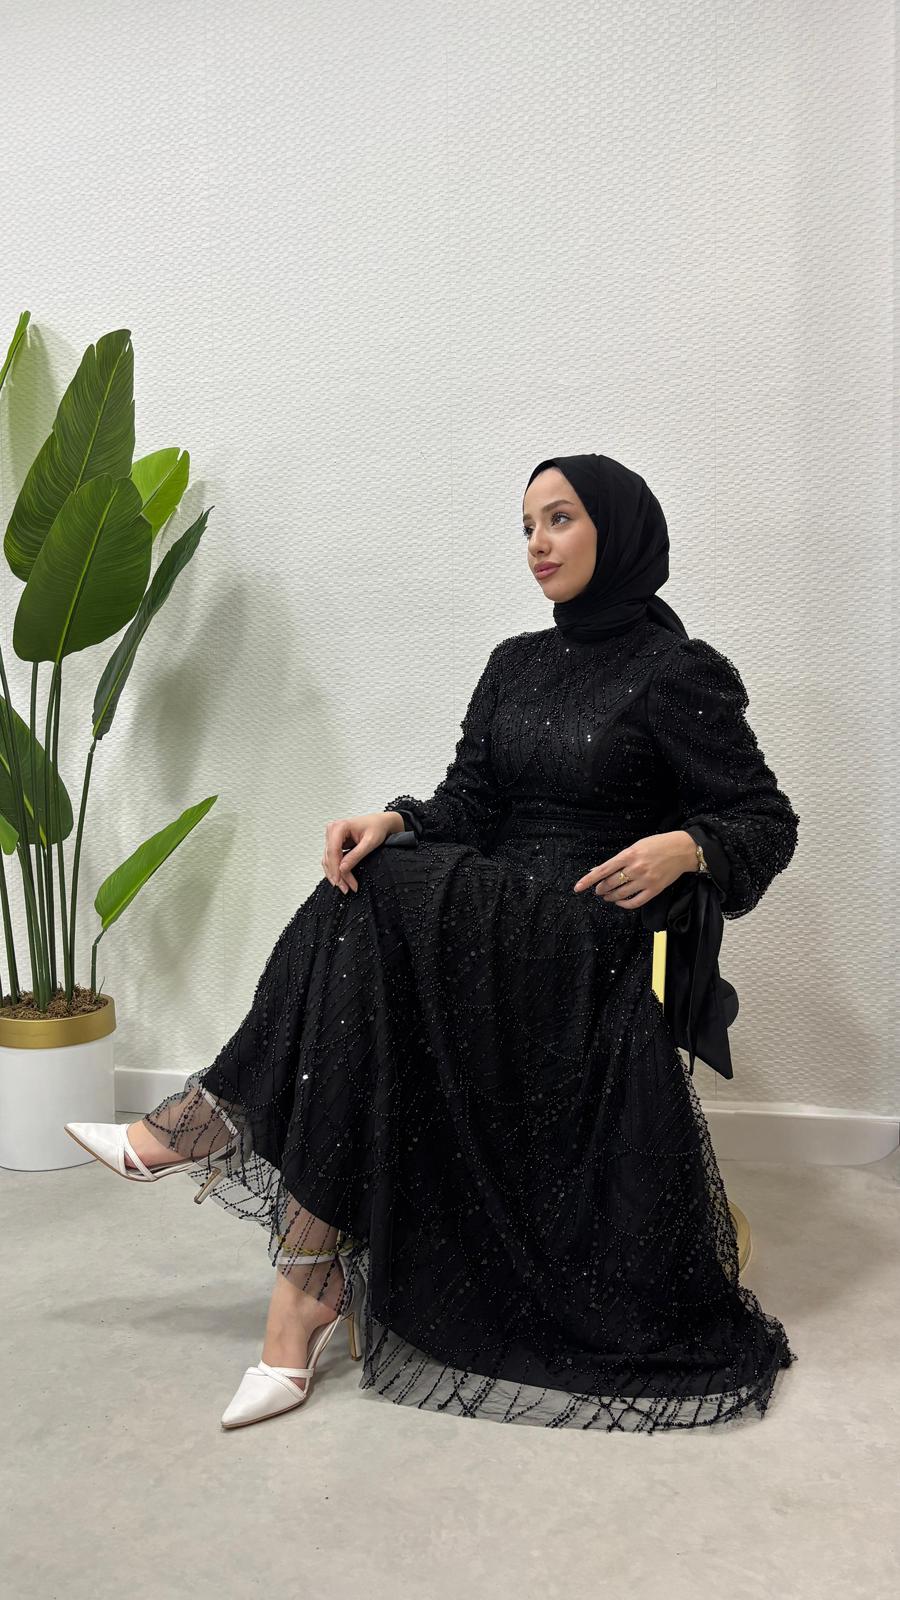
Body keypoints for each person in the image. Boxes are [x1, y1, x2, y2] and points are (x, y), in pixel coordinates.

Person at [65, 451, 801, 1433]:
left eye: (560, 519)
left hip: (589, 935)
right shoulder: (514, 664)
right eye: (526, 526)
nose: (537, 543)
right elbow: (469, 803)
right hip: (488, 918)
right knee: (366, 878)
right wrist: (398, 820)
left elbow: (764, 818)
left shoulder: (678, 673)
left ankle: (211, 1132)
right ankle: (300, 1290)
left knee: (382, 897)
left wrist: (688, 846)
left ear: (618, 530)